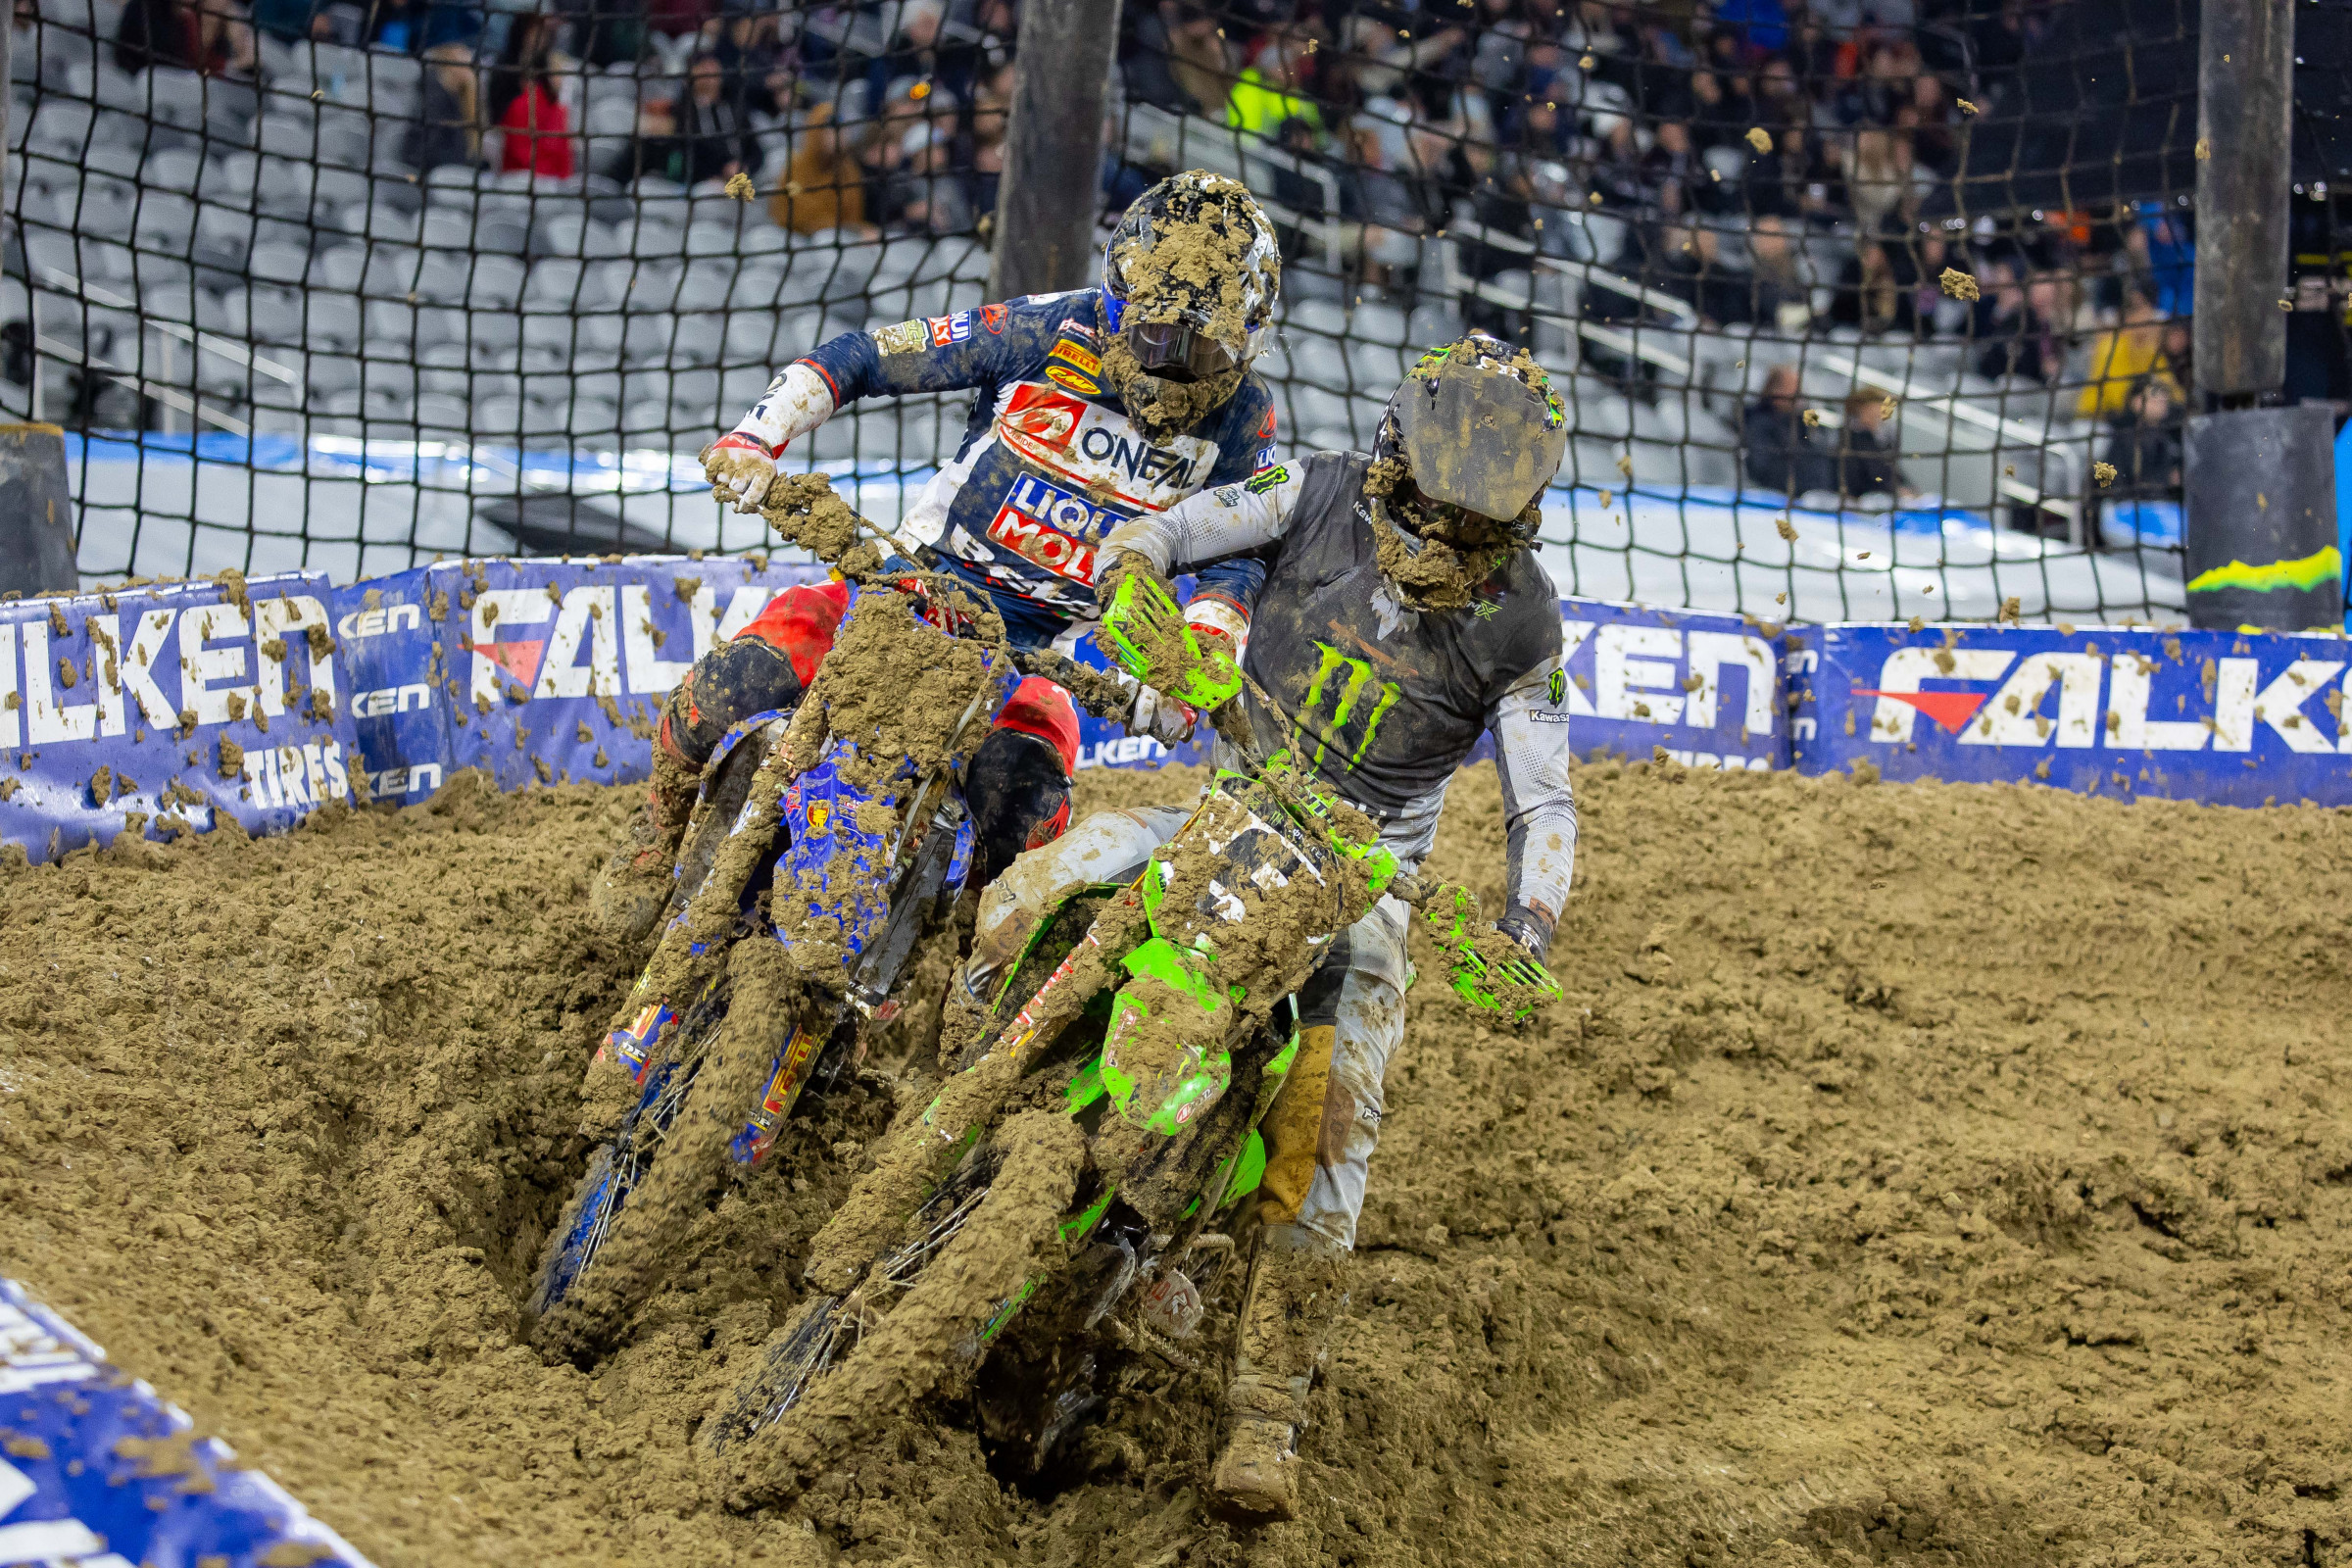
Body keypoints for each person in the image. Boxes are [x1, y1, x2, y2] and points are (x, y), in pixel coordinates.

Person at [970, 334, 1576, 1521]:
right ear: (1396, 461)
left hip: (1366, 878)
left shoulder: (1526, 623)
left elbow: (1543, 793)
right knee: (1024, 899)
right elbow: (1177, 526)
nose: (1441, 549)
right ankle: (955, 1079)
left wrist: (1530, 923)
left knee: (1335, 1118)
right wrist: (1134, 567)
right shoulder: (1311, 487)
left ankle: (1265, 1411)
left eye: (1474, 532)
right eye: (1430, 516)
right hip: (1234, 801)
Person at [590, 172, 1289, 943]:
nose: (1169, 369)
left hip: (1038, 656)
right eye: (1156, 338)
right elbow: (868, 355)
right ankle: (653, 846)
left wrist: (1194, 667)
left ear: (1248, 340)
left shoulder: (1246, 422)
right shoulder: (1044, 331)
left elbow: (1237, 556)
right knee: (729, 685)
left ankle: (949, 991)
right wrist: (758, 436)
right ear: (1117, 303)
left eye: (1201, 351)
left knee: (1026, 821)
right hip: (905, 591)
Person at [1741, 364, 1833, 496]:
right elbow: (1762, 468)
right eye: (1792, 387)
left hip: (1812, 499)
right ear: (1775, 390)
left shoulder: (1807, 425)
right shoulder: (1759, 425)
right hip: (1776, 498)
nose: (1799, 392)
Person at [1831, 389, 1917, 503]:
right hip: (1863, 500)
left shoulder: (1882, 438)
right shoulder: (1850, 438)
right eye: (1879, 403)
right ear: (1865, 407)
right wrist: (1895, 491)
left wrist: (1908, 489)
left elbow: (1892, 471)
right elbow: (1865, 476)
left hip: (1885, 497)